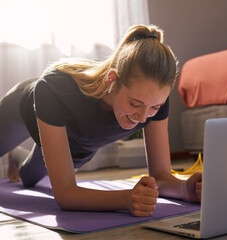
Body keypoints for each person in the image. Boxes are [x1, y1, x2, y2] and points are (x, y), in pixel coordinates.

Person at [0, 24, 202, 217]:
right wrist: (126, 199)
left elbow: (161, 176)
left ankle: (16, 156)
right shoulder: (55, 88)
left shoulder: (153, 100)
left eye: (154, 107)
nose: (142, 118)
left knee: (28, 178)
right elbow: (65, 194)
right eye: (134, 104)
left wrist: (186, 189)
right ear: (112, 81)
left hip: (76, 145)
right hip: (24, 108)